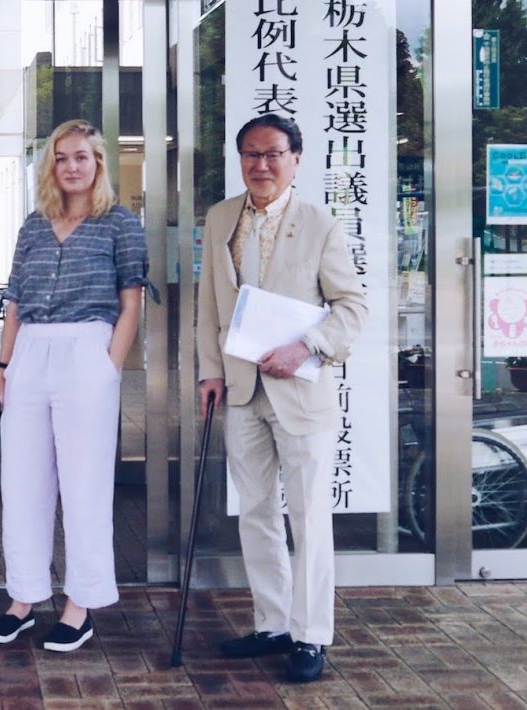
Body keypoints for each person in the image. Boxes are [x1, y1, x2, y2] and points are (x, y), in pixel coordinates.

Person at [196, 113, 368, 682]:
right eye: (250, 154)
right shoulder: (221, 216)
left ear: (296, 159)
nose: (260, 164)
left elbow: (352, 308)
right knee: (257, 512)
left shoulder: (320, 223)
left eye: (272, 154)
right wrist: (208, 373)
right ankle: (272, 623)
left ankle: (311, 634)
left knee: (310, 518)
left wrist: (308, 347)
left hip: (299, 393)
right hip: (241, 389)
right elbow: (210, 309)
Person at [0, 119, 153, 653]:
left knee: (85, 484)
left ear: (99, 163)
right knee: (23, 482)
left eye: (82, 157)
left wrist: (109, 367)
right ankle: (24, 599)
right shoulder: (34, 225)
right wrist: (2, 371)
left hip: (87, 350)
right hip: (30, 351)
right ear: (50, 166)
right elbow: (13, 304)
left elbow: (131, 304)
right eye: (62, 158)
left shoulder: (120, 224)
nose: (72, 166)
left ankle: (80, 604)